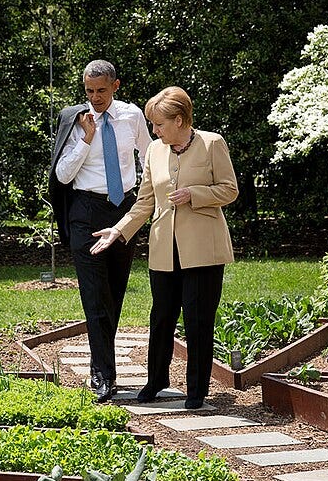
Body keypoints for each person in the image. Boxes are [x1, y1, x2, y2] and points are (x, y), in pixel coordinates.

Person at [90, 86, 238, 409]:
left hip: (203, 251)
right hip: (163, 250)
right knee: (160, 319)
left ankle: (196, 390)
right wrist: (118, 230)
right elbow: (144, 204)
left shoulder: (212, 144)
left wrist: (195, 194)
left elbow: (230, 190)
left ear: (181, 120)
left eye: (159, 124)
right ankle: (156, 381)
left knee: (198, 320)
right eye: (152, 125)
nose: (154, 131)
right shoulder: (154, 151)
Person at [49, 60, 151, 402]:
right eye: (89, 91)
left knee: (114, 294)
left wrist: (148, 193)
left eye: (101, 91)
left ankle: (101, 363)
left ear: (116, 86)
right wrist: (86, 139)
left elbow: (149, 155)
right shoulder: (75, 120)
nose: (95, 98)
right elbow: (62, 175)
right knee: (94, 295)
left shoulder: (132, 115)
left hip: (122, 210)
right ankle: (104, 375)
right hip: (85, 211)